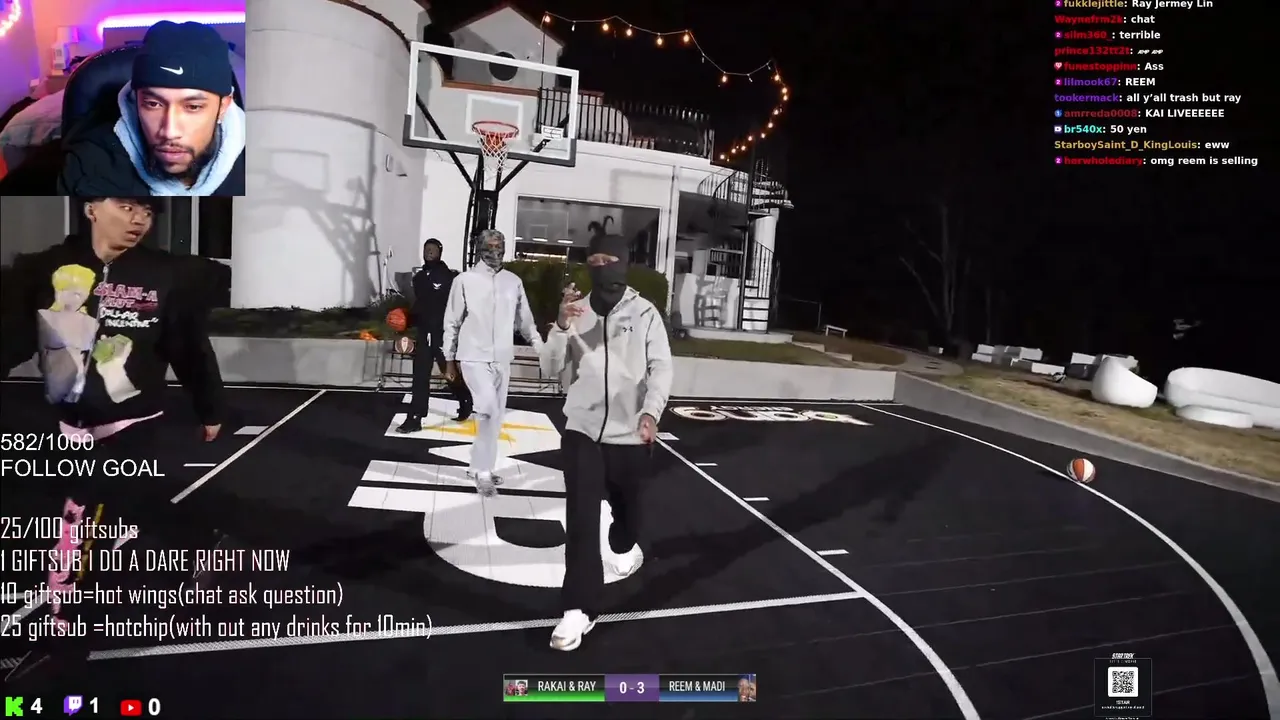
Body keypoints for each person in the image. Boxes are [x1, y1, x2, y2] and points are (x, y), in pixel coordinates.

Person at [0, 197, 228, 685]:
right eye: (126, 207)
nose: (139, 219)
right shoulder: (45, 268)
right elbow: (13, 335)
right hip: (70, 424)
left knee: (83, 522)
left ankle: (65, 638)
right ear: (92, 208)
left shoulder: (165, 275)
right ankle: (197, 542)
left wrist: (210, 406)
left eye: (147, 211)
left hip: (133, 424)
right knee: (123, 510)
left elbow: (188, 345)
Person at [539, 234, 673, 652]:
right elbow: (549, 366)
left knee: (629, 520)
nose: (601, 267)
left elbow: (661, 368)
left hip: (630, 434)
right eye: (594, 260)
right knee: (581, 519)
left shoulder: (645, 313)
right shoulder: (576, 311)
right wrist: (561, 326)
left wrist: (651, 412)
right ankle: (578, 609)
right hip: (581, 430)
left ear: (624, 263)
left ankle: (624, 542)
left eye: (609, 259)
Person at [58, 21, 246, 196]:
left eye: (193, 107)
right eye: (153, 104)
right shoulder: (89, 166)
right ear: (135, 101)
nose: (169, 132)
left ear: (223, 107)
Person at [440, 229, 543, 496]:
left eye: (499, 246)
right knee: (487, 410)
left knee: (495, 417)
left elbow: (525, 319)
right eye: (490, 246)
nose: (495, 251)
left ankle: (478, 465)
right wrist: (449, 359)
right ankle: (483, 472)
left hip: (502, 358)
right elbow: (451, 321)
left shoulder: (513, 282)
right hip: (473, 356)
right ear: (479, 248)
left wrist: (540, 347)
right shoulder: (465, 280)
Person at [398, 239, 473, 432]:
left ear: (440, 252)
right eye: (426, 248)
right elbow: (419, 306)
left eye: (433, 249)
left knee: (449, 373)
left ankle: (464, 398)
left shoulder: (450, 277)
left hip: (443, 335)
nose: (429, 251)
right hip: (424, 334)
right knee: (420, 377)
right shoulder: (419, 278)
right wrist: (406, 319)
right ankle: (415, 418)